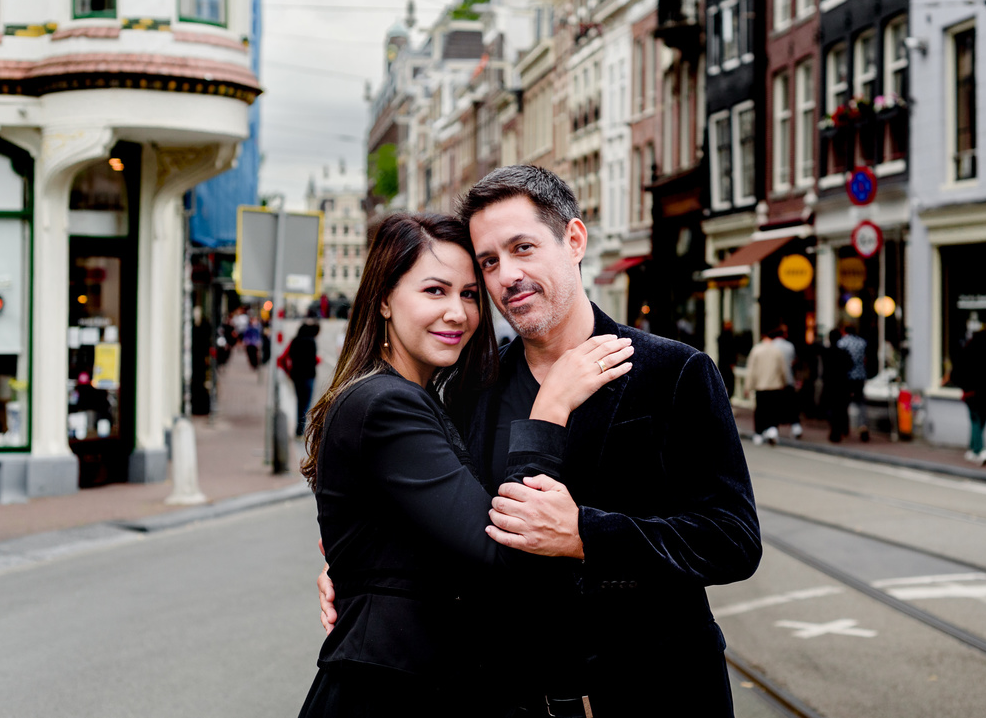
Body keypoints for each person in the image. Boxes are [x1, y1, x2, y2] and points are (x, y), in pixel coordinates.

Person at [318, 165, 762, 717]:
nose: (508, 275)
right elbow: (450, 523)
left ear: (573, 240)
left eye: (523, 247)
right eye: (490, 262)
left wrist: (584, 536)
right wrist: (359, 571)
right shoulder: (468, 390)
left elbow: (733, 539)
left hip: (657, 696)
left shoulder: (672, 372)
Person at [299, 213, 633, 716]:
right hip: (387, 691)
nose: (458, 312)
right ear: (385, 299)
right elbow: (503, 554)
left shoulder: (423, 396)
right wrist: (549, 409)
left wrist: (356, 572)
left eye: (471, 294)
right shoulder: (386, 403)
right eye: (435, 291)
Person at [948, 327, 986, 466]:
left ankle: (978, 449)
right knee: (981, 421)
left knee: (975, 420)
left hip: (972, 393)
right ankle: (975, 449)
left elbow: (956, 372)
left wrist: (963, 385)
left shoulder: (968, 350)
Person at [745, 329, 792, 444]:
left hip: (761, 386)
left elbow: (751, 370)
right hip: (775, 385)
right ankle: (772, 429)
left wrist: (748, 386)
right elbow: (783, 370)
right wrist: (785, 382)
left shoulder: (756, 350)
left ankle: (759, 434)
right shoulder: (777, 351)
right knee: (773, 410)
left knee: (760, 410)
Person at [280, 322, 320, 438]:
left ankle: (299, 429)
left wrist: (288, 372)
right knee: (306, 403)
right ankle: (300, 430)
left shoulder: (295, 341)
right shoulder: (311, 341)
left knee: (299, 402)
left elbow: (285, 358)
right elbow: (313, 360)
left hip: (297, 376)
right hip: (309, 376)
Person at [836, 323, 870, 442]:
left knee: (843, 403)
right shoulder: (862, 342)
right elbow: (865, 359)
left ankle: (844, 427)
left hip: (847, 376)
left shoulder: (842, 343)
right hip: (860, 376)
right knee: (860, 403)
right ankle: (863, 426)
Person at [771, 325, 803, 439]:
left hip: (774, 382)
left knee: (775, 407)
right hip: (788, 380)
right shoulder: (789, 346)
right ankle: (795, 427)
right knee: (791, 406)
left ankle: (773, 428)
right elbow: (793, 362)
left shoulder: (771, 346)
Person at [821, 329, 852, 442]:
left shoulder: (826, 352)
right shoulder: (843, 353)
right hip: (842, 385)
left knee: (832, 409)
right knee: (841, 409)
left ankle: (836, 431)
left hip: (830, 385)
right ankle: (841, 429)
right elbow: (850, 365)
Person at [716, 320, 737, 397]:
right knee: (728, 382)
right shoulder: (727, 338)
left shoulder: (722, 337)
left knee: (726, 382)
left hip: (724, 364)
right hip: (726, 364)